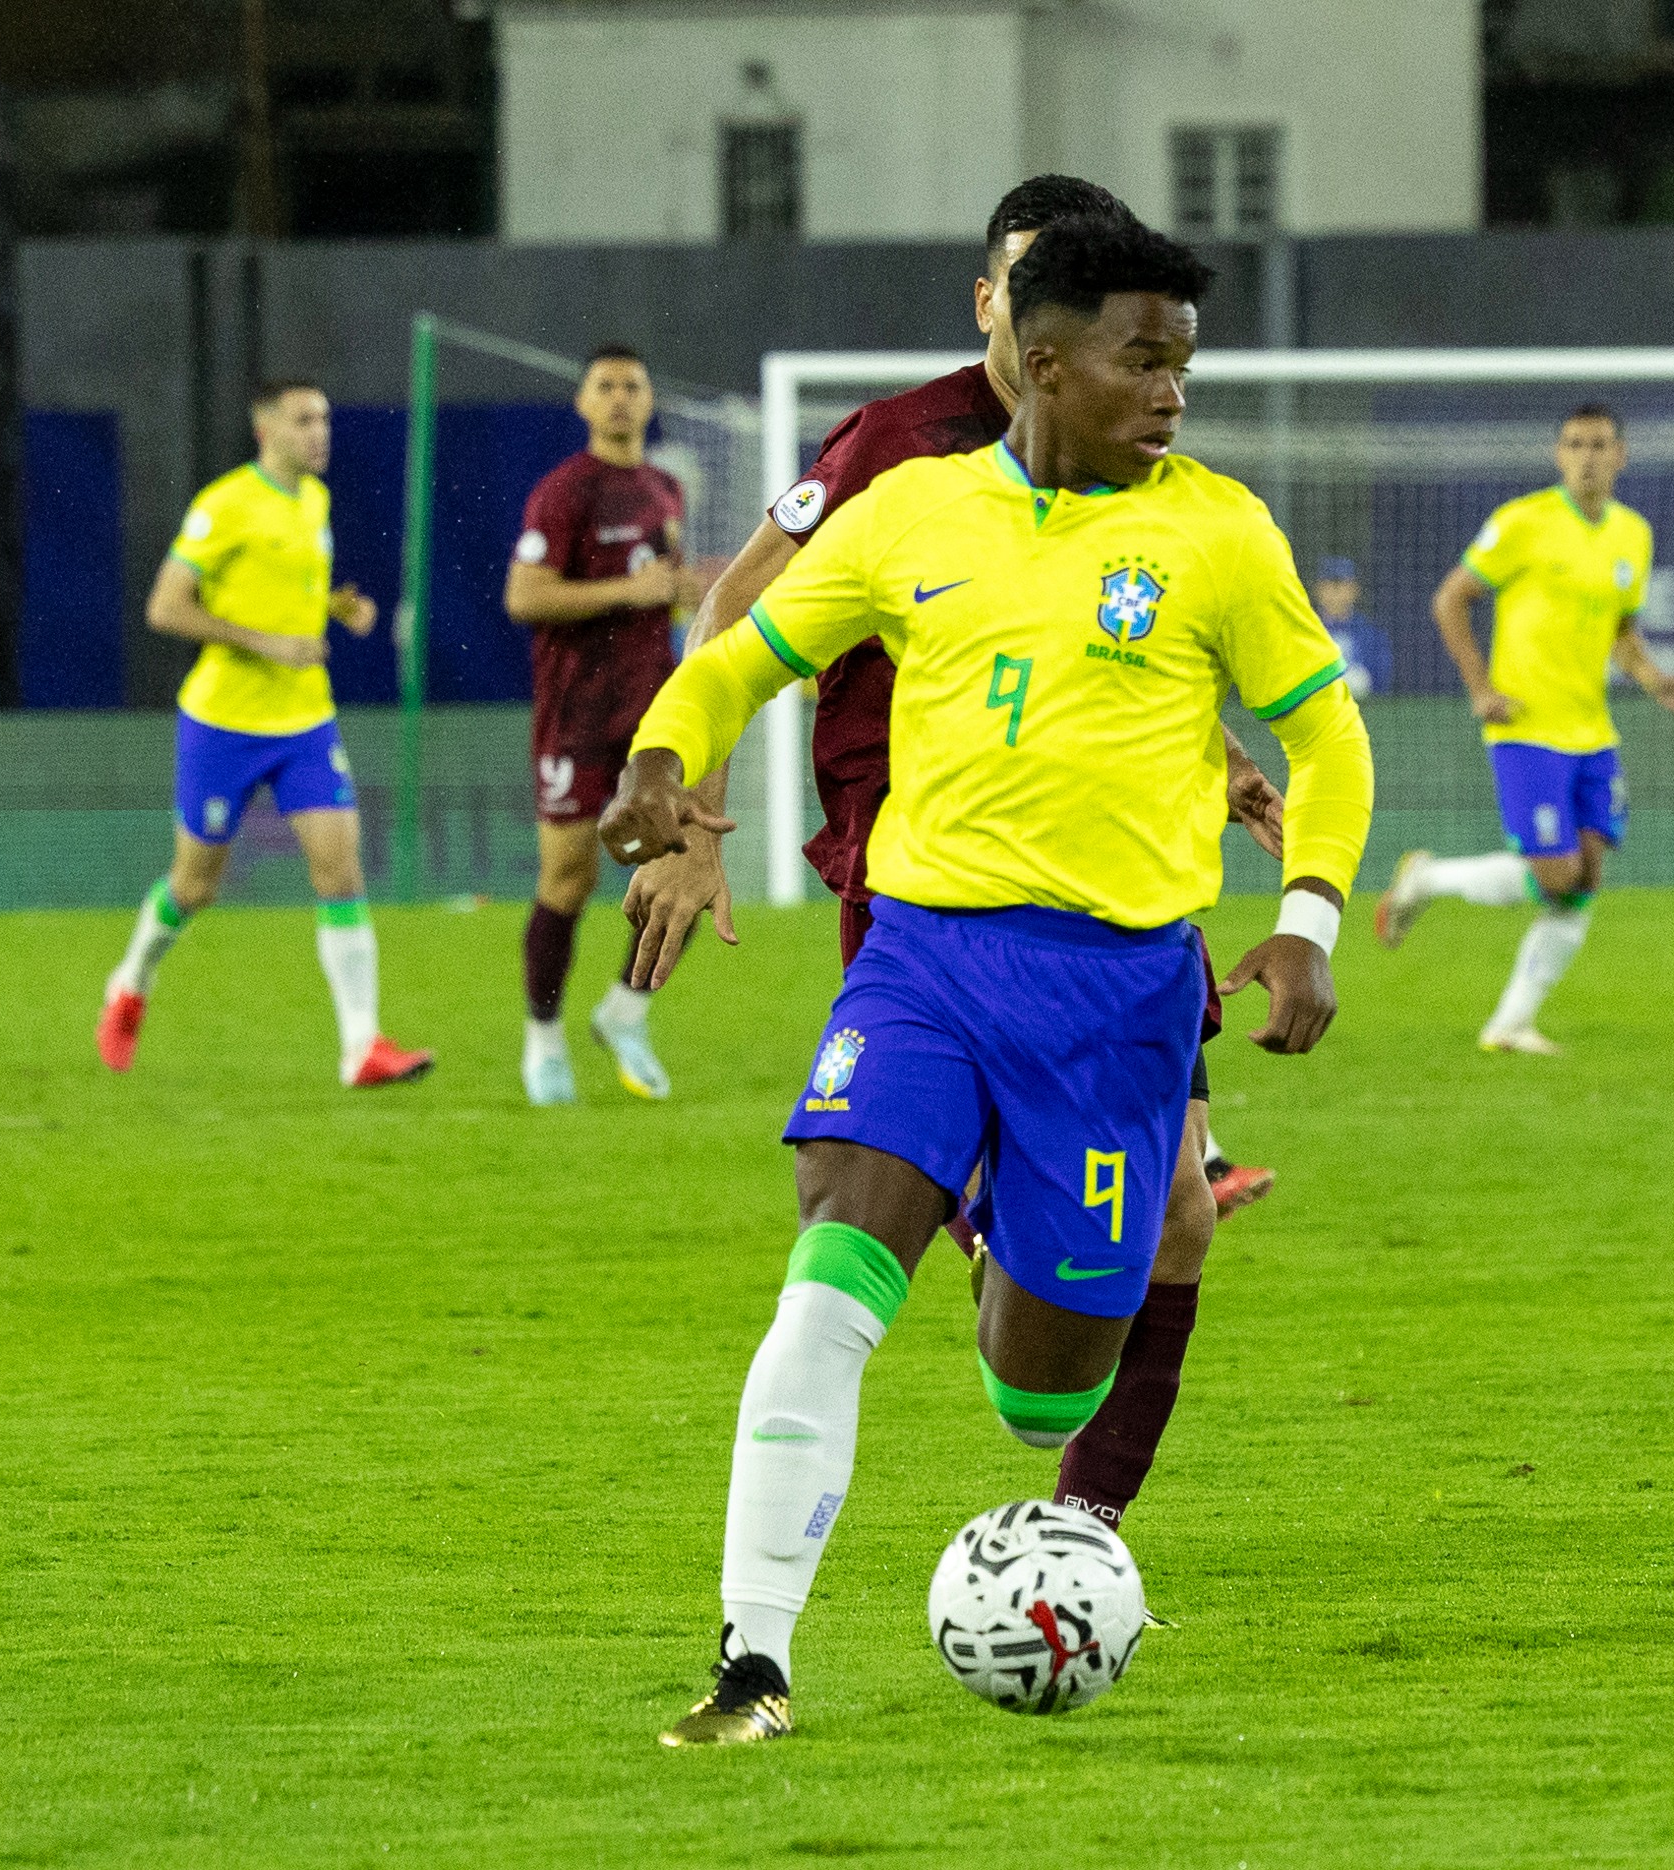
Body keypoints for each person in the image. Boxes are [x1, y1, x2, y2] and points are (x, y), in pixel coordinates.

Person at [603, 216, 1375, 1746]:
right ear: (1042, 360)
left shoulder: (1217, 533)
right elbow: (738, 655)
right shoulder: (907, 511)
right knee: (832, 1255)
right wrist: (659, 760)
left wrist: (1308, 916)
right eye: (1141, 360)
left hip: (1119, 997)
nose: (1170, 392)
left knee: (1038, 1389)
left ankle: (1019, 1244)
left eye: (1181, 362)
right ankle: (751, 1662)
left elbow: (1327, 735)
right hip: (928, 957)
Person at [95, 379, 432, 1089]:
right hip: (223, 724)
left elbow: (290, 586)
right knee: (195, 886)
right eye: (304, 420)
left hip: (305, 720)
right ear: (265, 429)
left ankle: (361, 1047)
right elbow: (165, 608)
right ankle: (129, 983)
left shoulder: (314, 501)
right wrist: (266, 644)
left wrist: (336, 607)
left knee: (340, 871)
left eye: (325, 419)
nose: (320, 433)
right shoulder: (224, 506)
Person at [1372, 404, 1674, 1053]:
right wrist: (1479, 688)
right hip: (1525, 728)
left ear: (1620, 456)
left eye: (1599, 445)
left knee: (1586, 880)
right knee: (1555, 875)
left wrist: (1654, 680)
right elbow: (1449, 599)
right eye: (1574, 444)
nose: (1586, 456)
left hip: (1592, 732)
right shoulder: (1522, 522)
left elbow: (1621, 632)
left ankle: (1510, 1023)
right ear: (1558, 455)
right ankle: (1426, 878)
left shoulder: (1631, 534)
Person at [503, 345, 708, 1106]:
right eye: (605, 387)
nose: (620, 398)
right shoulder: (564, 492)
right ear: (583, 404)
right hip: (576, 714)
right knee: (569, 877)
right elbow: (525, 597)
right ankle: (544, 1042)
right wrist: (627, 592)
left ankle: (625, 1012)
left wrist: (681, 593)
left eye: (632, 384)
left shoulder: (663, 488)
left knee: (681, 866)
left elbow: (663, 589)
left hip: (652, 716)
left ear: (649, 400)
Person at [1313, 555, 1391, 697]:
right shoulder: (1307, 633)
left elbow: (1382, 682)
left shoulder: (1372, 636)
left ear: (1354, 590)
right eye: (1329, 585)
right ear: (1318, 590)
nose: (1335, 593)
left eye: (1342, 585)